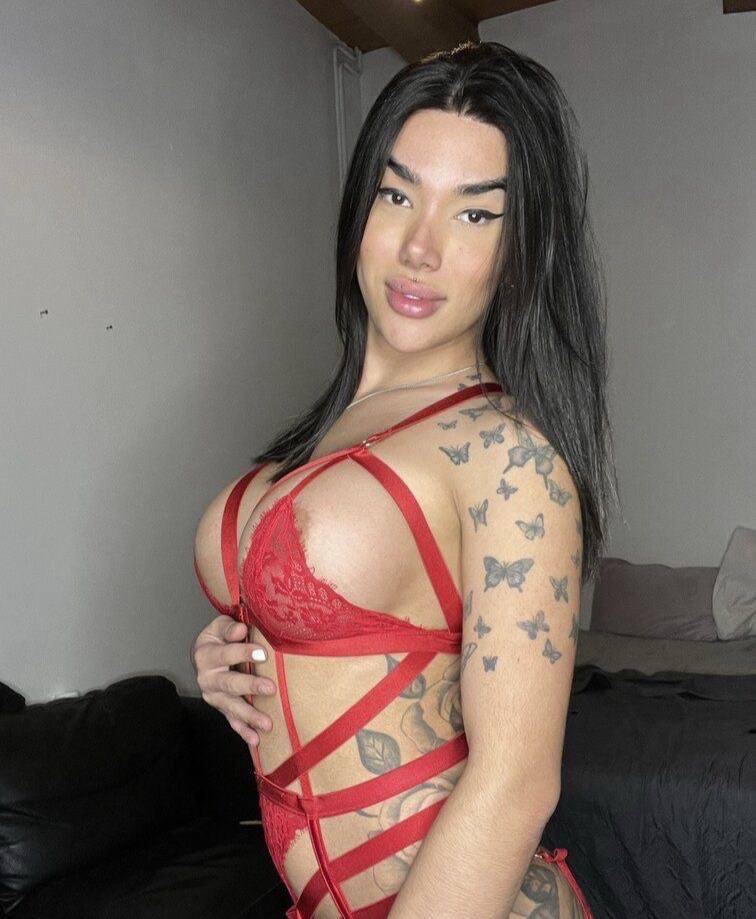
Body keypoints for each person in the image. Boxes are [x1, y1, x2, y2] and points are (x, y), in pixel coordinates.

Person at [191, 40, 618, 919]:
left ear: (522, 249)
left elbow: (515, 784)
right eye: (398, 195)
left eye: (476, 213)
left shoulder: (508, 455)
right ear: (361, 207)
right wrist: (231, 652)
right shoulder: (324, 436)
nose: (421, 247)